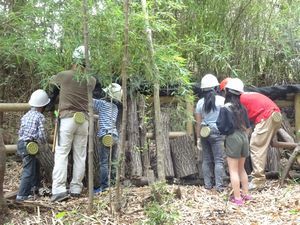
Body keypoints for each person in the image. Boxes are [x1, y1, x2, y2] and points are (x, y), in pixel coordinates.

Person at [49, 46, 96, 202]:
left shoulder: (63, 76)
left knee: (62, 154)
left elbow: (52, 89)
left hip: (67, 118)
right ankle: (76, 187)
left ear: (74, 60)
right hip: (84, 121)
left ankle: (58, 189)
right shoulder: (91, 80)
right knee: (80, 155)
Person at [217, 78, 251, 206]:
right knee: (242, 168)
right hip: (244, 137)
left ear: (228, 92)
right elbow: (248, 125)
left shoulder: (225, 108)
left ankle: (237, 198)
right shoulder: (243, 108)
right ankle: (246, 194)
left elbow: (222, 126)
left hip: (233, 137)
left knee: (233, 170)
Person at [240, 90, 282, 190]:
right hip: (275, 114)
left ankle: (258, 180)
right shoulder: (247, 95)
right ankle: (258, 175)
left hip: (267, 115)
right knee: (261, 145)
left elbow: (242, 122)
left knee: (256, 145)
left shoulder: (238, 100)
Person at [16, 89, 50, 201]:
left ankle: (33, 189)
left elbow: (20, 132)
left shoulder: (26, 115)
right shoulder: (40, 117)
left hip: (21, 143)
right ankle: (22, 195)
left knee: (34, 166)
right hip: (30, 145)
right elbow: (41, 134)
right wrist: (45, 143)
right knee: (29, 170)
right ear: (43, 106)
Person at [195, 74, 225, 192]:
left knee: (206, 159)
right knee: (218, 159)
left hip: (204, 131)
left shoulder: (199, 103)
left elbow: (198, 122)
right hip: (217, 131)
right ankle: (219, 186)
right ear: (216, 87)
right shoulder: (222, 101)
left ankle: (207, 185)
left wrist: (198, 138)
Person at [93, 83, 122, 193]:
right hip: (114, 135)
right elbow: (104, 116)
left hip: (105, 135)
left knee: (104, 162)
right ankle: (113, 183)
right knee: (112, 161)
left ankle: (104, 187)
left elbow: (88, 101)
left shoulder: (103, 104)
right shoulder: (115, 107)